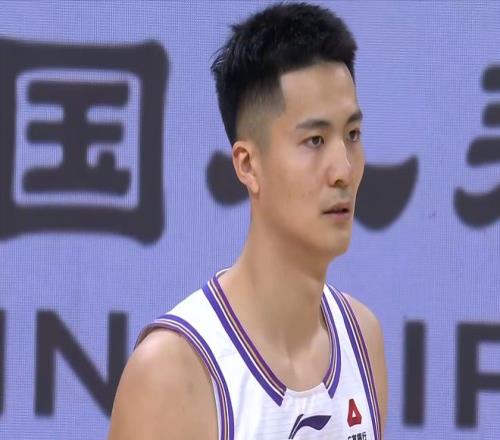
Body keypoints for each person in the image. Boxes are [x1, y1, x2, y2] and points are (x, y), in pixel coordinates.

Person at [108, 2, 387, 439]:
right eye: (315, 140)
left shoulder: (362, 340)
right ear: (247, 165)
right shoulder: (173, 372)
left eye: (352, 135)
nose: (344, 170)